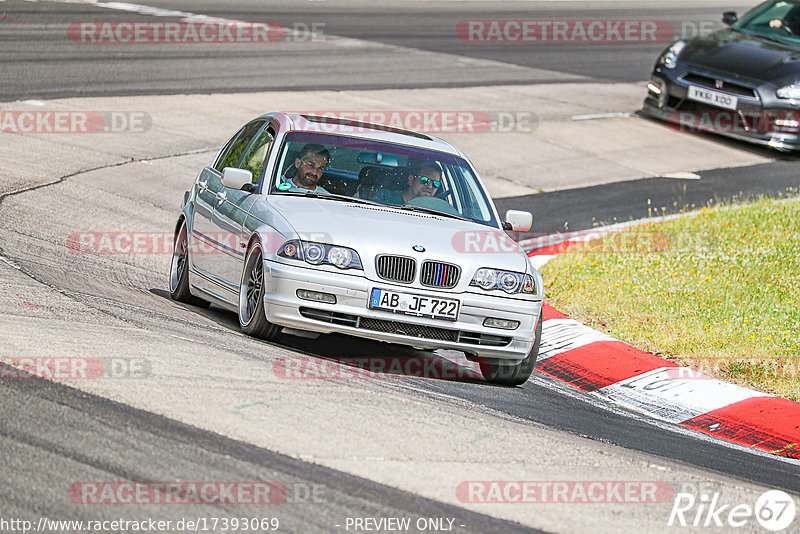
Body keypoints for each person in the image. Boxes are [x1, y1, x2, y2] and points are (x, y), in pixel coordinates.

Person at [372, 160, 442, 205]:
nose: (430, 186)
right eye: (425, 180)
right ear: (411, 180)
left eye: (435, 184)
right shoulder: (384, 197)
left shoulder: (437, 211)